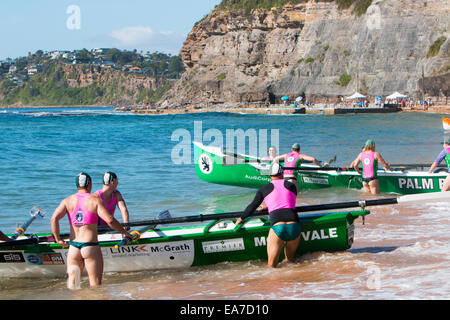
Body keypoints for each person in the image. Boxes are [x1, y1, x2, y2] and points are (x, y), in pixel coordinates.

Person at [50, 172, 132, 289]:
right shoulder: (94, 200)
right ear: (90, 184)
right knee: (95, 286)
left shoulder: (67, 201)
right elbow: (110, 220)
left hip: (73, 248)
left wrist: (58, 239)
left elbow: (54, 219)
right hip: (90, 247)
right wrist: (125, 233)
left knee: (73, 287)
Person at [236, 163, 300, 268]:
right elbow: (287, 201)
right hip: (294, 225)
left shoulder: (263, 189)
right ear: (282, 173)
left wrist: (241, 218)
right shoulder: (291, 186)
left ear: (270, 175)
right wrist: (268, 206)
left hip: (278, 226)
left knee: (271, 266)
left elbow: (252, 206)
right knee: (290, 261)